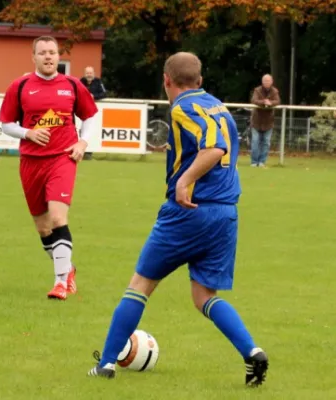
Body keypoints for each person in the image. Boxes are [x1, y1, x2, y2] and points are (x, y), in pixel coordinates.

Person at [87, 52, 268, 387]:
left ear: (166, 80)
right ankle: (252, 352)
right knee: (204, 296)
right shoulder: (217, 105)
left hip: (188, 212)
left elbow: (213, 148)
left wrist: (184, 181)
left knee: (140, 285)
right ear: (199, 80)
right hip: (225, 214)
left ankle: (107, 364)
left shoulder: (182, 108)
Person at [0, 36, 98, 300]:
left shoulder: (72, 85)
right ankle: (68, 269)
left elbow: (90, 116)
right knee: (43, 229)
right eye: (42, 53)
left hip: (63, 158)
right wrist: (28, 133)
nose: (48, 57)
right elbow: (6, 124)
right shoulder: (19, 86)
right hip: (31, 162)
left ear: (58, 56)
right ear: (34, 57)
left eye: (52, 52)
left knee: (57, 218)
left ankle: (60, 283)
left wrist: (82, 142)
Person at [250, 74, 280, 167]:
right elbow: (254, 100)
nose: (267, 82)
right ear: (262, 82)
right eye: (265, 81)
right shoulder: (257, 90)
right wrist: (264, 102)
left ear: (272, 82)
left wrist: (270, 103)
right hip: (256, 121)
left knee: (266, 142)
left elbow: (277, 101)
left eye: (268, 81)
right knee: (255, 141)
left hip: (268, 122)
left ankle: (262, 161)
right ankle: (254, 162)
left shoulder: (275, 91)